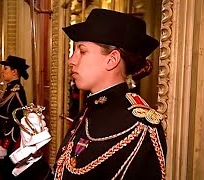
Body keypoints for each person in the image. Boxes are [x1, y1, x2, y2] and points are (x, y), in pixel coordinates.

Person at [15, 9, 167, 180]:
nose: (71, 60)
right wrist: (32, 157)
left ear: (112, 60)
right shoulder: (90, 109)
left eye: (82, 51)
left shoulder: (140, 128)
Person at [0, 55, 29, 180]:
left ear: (14, 72)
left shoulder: (16, 92)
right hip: (3, 137)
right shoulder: (10, 88)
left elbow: (15, 122)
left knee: (7, 172)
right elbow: (2, 115)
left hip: (10, 142)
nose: (3, 71)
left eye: (6, 68)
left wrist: (5, 146)